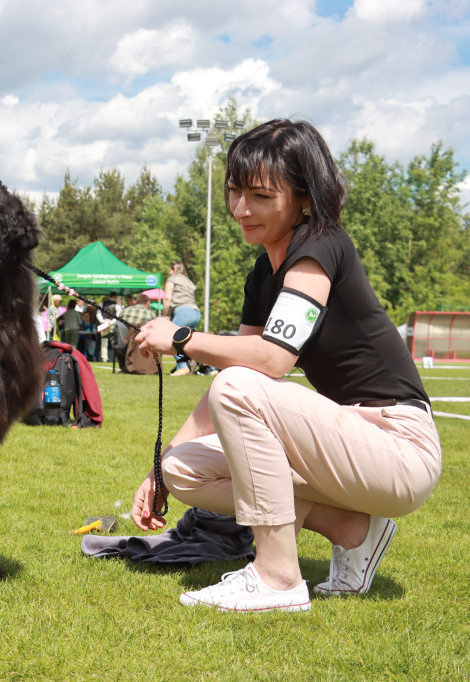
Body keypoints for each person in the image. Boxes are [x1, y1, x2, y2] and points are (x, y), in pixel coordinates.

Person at [133, 118, 442, 614]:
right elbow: (240, 378)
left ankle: (277, 578)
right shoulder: (264, 272)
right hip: (349, 442)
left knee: (237, 385)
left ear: (303, 198)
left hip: (400, 447)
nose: (239, 209)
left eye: (259, 195)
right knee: (183, 470)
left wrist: (183, 339)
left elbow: (271, 360)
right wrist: (158, 469)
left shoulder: (320, 245)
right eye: (235, 191)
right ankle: (355, 531)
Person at [163, 262, 200, 376]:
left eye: (170, 269)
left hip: (183, 312)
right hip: (195, 313)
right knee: (190, 342)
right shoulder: (189, 281)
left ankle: (183, 366)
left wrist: (165, 315)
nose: (169, 272)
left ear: (174, 269)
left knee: (171, 338)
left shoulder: (172, 279)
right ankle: (210, 367)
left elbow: (167, 297)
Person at [112, 293, 157, 374]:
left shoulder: (125, 311)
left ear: (136, 302)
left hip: (124, 343)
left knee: (116, 340)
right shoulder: (150, 313)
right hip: (141, 343)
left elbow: (116, 327)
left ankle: (123, 367)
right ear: (148, 303)